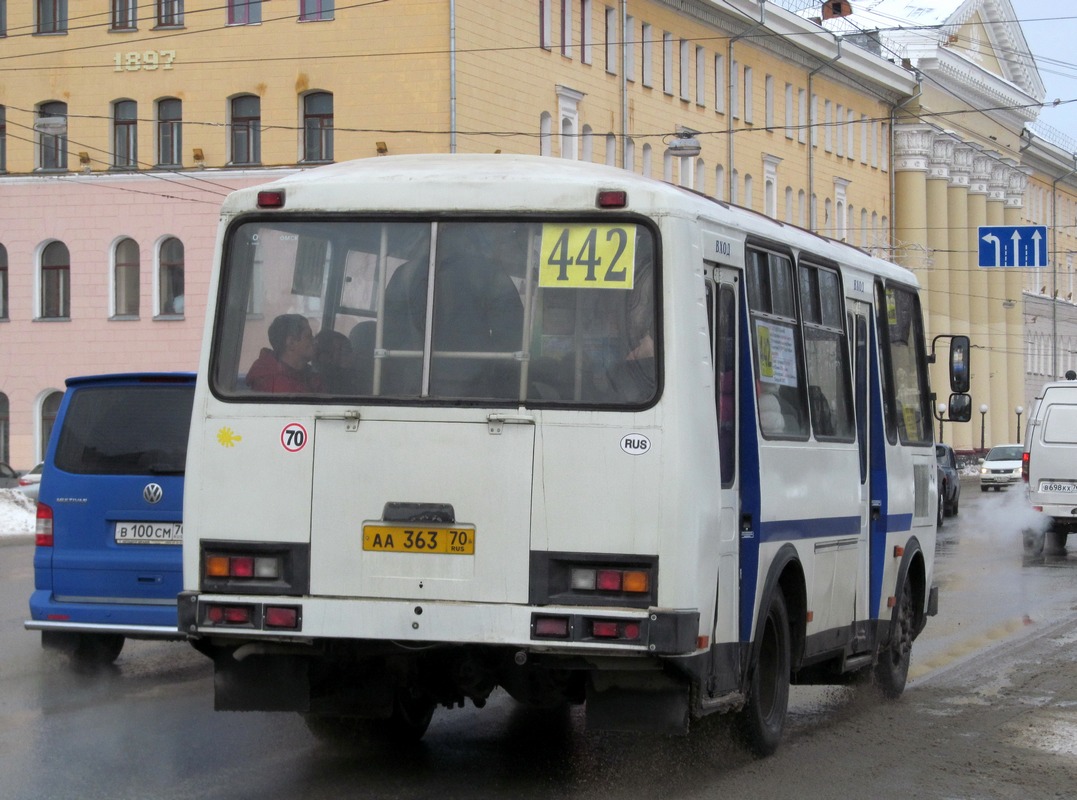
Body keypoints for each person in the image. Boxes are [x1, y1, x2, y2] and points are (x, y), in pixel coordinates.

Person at [246, 314, 324, 393]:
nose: (315, 341)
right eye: (309, 336)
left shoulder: (305, 376)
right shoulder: (277, 386)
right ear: (291, 343)